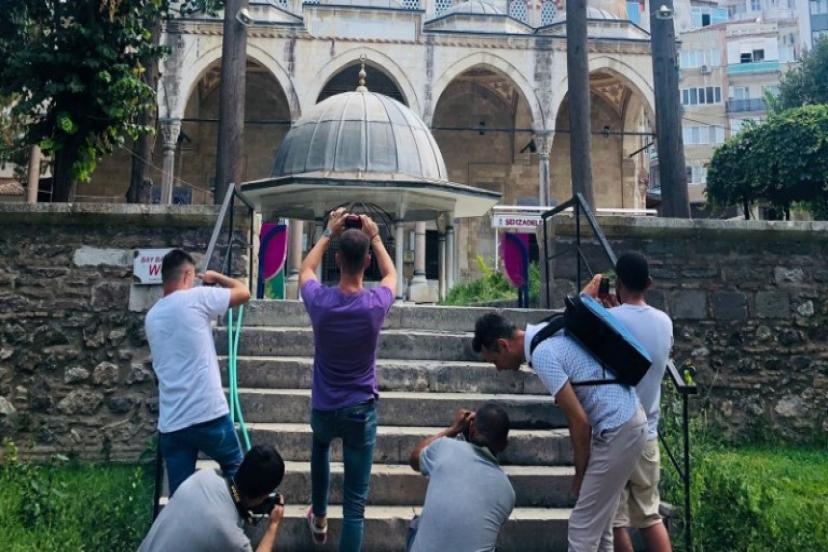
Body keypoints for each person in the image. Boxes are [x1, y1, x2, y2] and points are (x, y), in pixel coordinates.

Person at [473, 309, 647, 551]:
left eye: (494, 361)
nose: (498, 369)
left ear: (503, 345)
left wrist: (580, 474)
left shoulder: (542, 353)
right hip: (626, 421)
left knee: (581, 527)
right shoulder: (548, 331)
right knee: (601, 528)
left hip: (618, 427)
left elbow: (579, 421)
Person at [299, 208, 397, 551]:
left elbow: (306, 269)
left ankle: (319, 518)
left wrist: (328, 232)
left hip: (325, 406)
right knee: (355, 507)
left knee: (320, 446)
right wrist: (375, 237)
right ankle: (325, 519)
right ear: (367, 262)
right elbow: (392, 275)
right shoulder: (374, 305)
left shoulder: (321, 303)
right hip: (360, 409)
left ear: (338, 259)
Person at [145, 249, 251, 495]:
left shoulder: (151, 317)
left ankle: (186, 521)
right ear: (186, 275)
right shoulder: (197, 298)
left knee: (180, 493)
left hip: (173, 422)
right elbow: (243, 292)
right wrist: (217, 277)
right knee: (236, 469)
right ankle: (236, 514)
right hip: (208, 412)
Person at [596, 253, 673, 552]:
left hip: (616, 432)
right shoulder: (664, 322)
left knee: (615, 521)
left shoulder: (609, 320)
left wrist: (603, 308)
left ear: (618, 283)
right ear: (649, 283)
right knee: (649, 515)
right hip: (648, 432)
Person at [407, 404, 515, 552]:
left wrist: (454, 429)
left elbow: (415, 458)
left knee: (417, 524)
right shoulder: (507, 492)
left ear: (472, 430)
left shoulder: (443, 448)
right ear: (504, 445)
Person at [139, 444, 286, 552]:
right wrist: (273, 525)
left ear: (242, 465)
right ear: (263, 495)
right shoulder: (232, 539)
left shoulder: (202, 477)